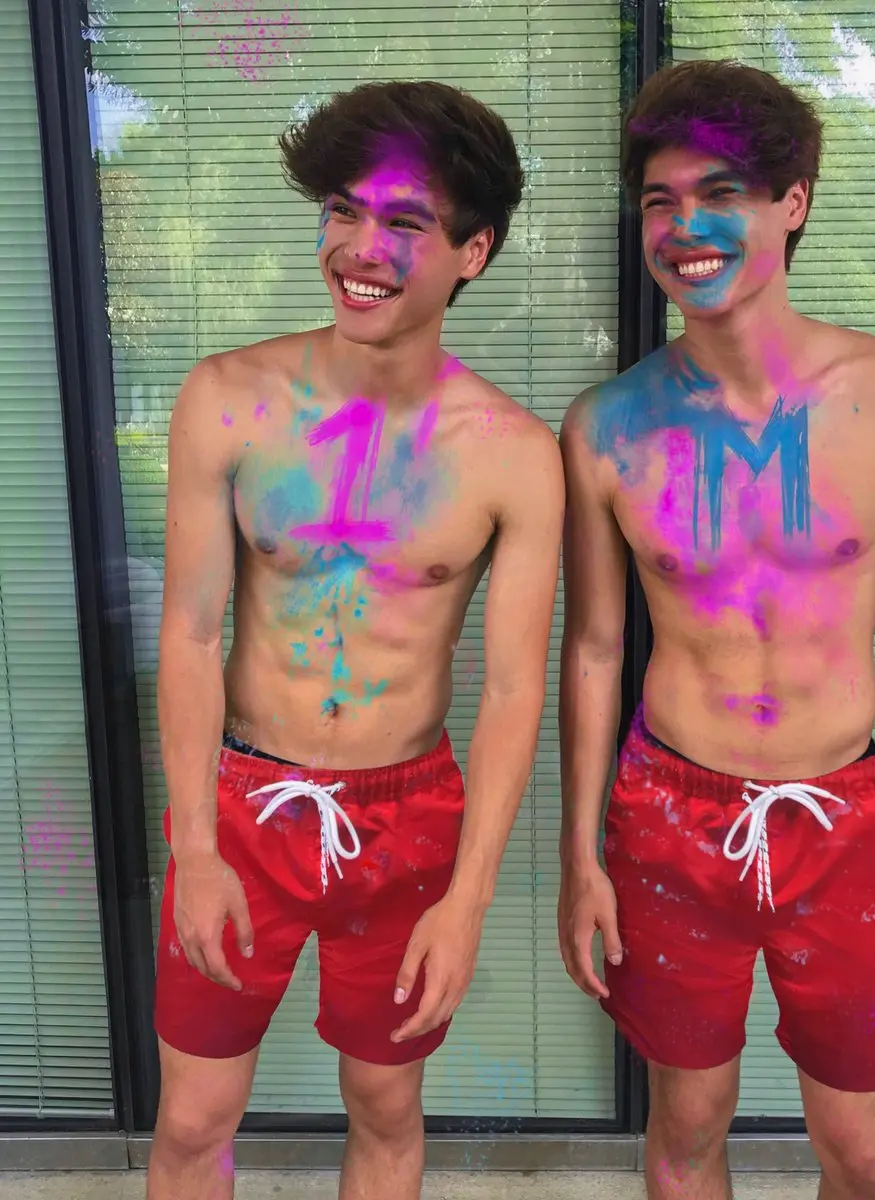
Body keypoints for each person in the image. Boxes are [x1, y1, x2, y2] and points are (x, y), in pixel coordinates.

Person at [558, 59, 875, 1200]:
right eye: (660, 200)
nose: (685, 226)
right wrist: (579, 854)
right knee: (684, 1136)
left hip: (840, 820)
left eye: (721, 193)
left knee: (863, 1152)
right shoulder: (607, 426)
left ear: (792, 202)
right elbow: (594, 649)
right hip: (666, 816)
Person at [150, 80, 563, 1200]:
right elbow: (189, 634)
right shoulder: (226, 399)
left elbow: (514, 689)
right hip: (244, 805)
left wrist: (467, 899)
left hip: (408, 819)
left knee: (385, 1106)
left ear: (474, 251)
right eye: (343, 210)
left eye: (405, 223)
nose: (360, 250)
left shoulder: (514, 454)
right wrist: (196, 848)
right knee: (192, 1116)